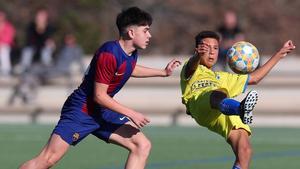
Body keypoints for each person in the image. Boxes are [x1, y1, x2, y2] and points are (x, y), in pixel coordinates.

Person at [19, 6, 181, 169]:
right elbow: (99, 96)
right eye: (145, 30)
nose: (149, 35)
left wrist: (163, 72)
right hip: (82, 111)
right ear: (131, 33)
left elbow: (129, 68)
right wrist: (132, 113)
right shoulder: (109, 53)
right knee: (47, 160)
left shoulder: (130, 53)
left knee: (142, 145)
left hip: (102, 111)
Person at [180, 30, 295, 169]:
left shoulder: (223, 77)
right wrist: (197, 56)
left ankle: (239, 109)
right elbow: (191, 66)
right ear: (197, 49)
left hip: (219, 113)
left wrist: (279, 54)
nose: (211, 52)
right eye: (206, 48)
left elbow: (255, 78)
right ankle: (240, 108)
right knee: (220, 91)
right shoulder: (191, 68)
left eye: (215, 48)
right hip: (199, 104)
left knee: (245, 150)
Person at [0, 10, 15, 76]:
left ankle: (6, 70)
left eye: (1, 16)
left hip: (6, 46)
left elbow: (9, 39)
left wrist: (1, 44)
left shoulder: (9, 26)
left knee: (4, 50)